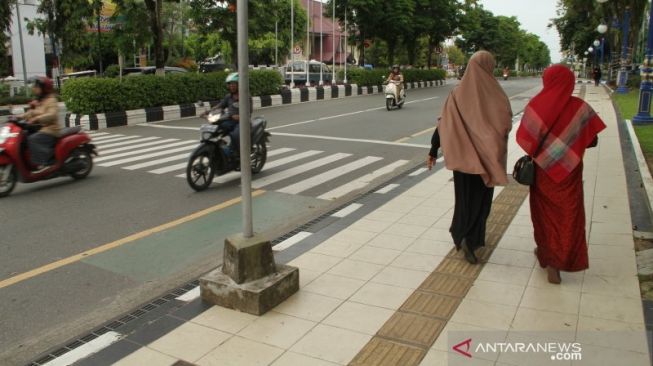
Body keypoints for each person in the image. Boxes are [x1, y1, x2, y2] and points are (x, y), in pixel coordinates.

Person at [516, 64, 606, 284]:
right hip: (570, 173)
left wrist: (547, 151)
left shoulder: (536, 105)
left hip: (542, 174)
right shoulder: (580, 108)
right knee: (569, 216)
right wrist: (569, 143)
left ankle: (548, 258)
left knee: (543, 215)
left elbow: (525, 140)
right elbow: (592, 140)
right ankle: (562, 259)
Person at [427, 51, 513, 264]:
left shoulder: (457, 93)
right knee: (482, 201)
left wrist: (432, 150)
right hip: (487, 159)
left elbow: (443, 125)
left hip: (463, 161)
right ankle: (472, 240)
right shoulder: (497, 94)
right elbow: (505, 125)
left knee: (464, 200)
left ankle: (460, 233)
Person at [18, 77, 60, 172]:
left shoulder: (51, 100)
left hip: (51, 130)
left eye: (37, 87)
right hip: (42, 128)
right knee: (23, 136)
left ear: (44, 89)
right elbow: (33, 112)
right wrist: (18, 117)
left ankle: (44, 162)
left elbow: (52, 115)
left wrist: (37, 118)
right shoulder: (41, 100)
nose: (35, 89)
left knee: (33, 139)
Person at [215, 72, 251, 157]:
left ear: (239, 85)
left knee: (235, 134)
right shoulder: (228, 97)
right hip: (230, 120)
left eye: (234, 84)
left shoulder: (246, 96)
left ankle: (239, 154)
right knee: (215, 128)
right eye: (230, 84)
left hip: (242, 122)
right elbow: (220, 106)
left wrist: (240, 117)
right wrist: (208, 112)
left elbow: (249, 112)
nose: (232, 86)